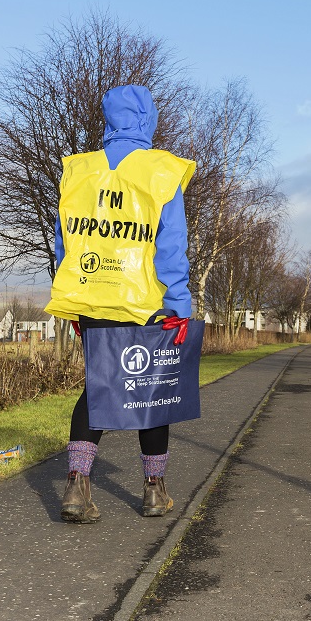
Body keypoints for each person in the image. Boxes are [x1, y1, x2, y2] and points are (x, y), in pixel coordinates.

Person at [45, 84, 195, 524]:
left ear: (108, 121)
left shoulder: (78, 171)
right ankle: (153, 492)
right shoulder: (160, 172)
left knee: (99, 388)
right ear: (148, 120)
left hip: (91, 297)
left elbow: (64, 245)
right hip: (147, 302)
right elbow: (170, 249)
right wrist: (180, 305)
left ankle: (76, 486)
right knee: (153, 390)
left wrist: (74, 301)